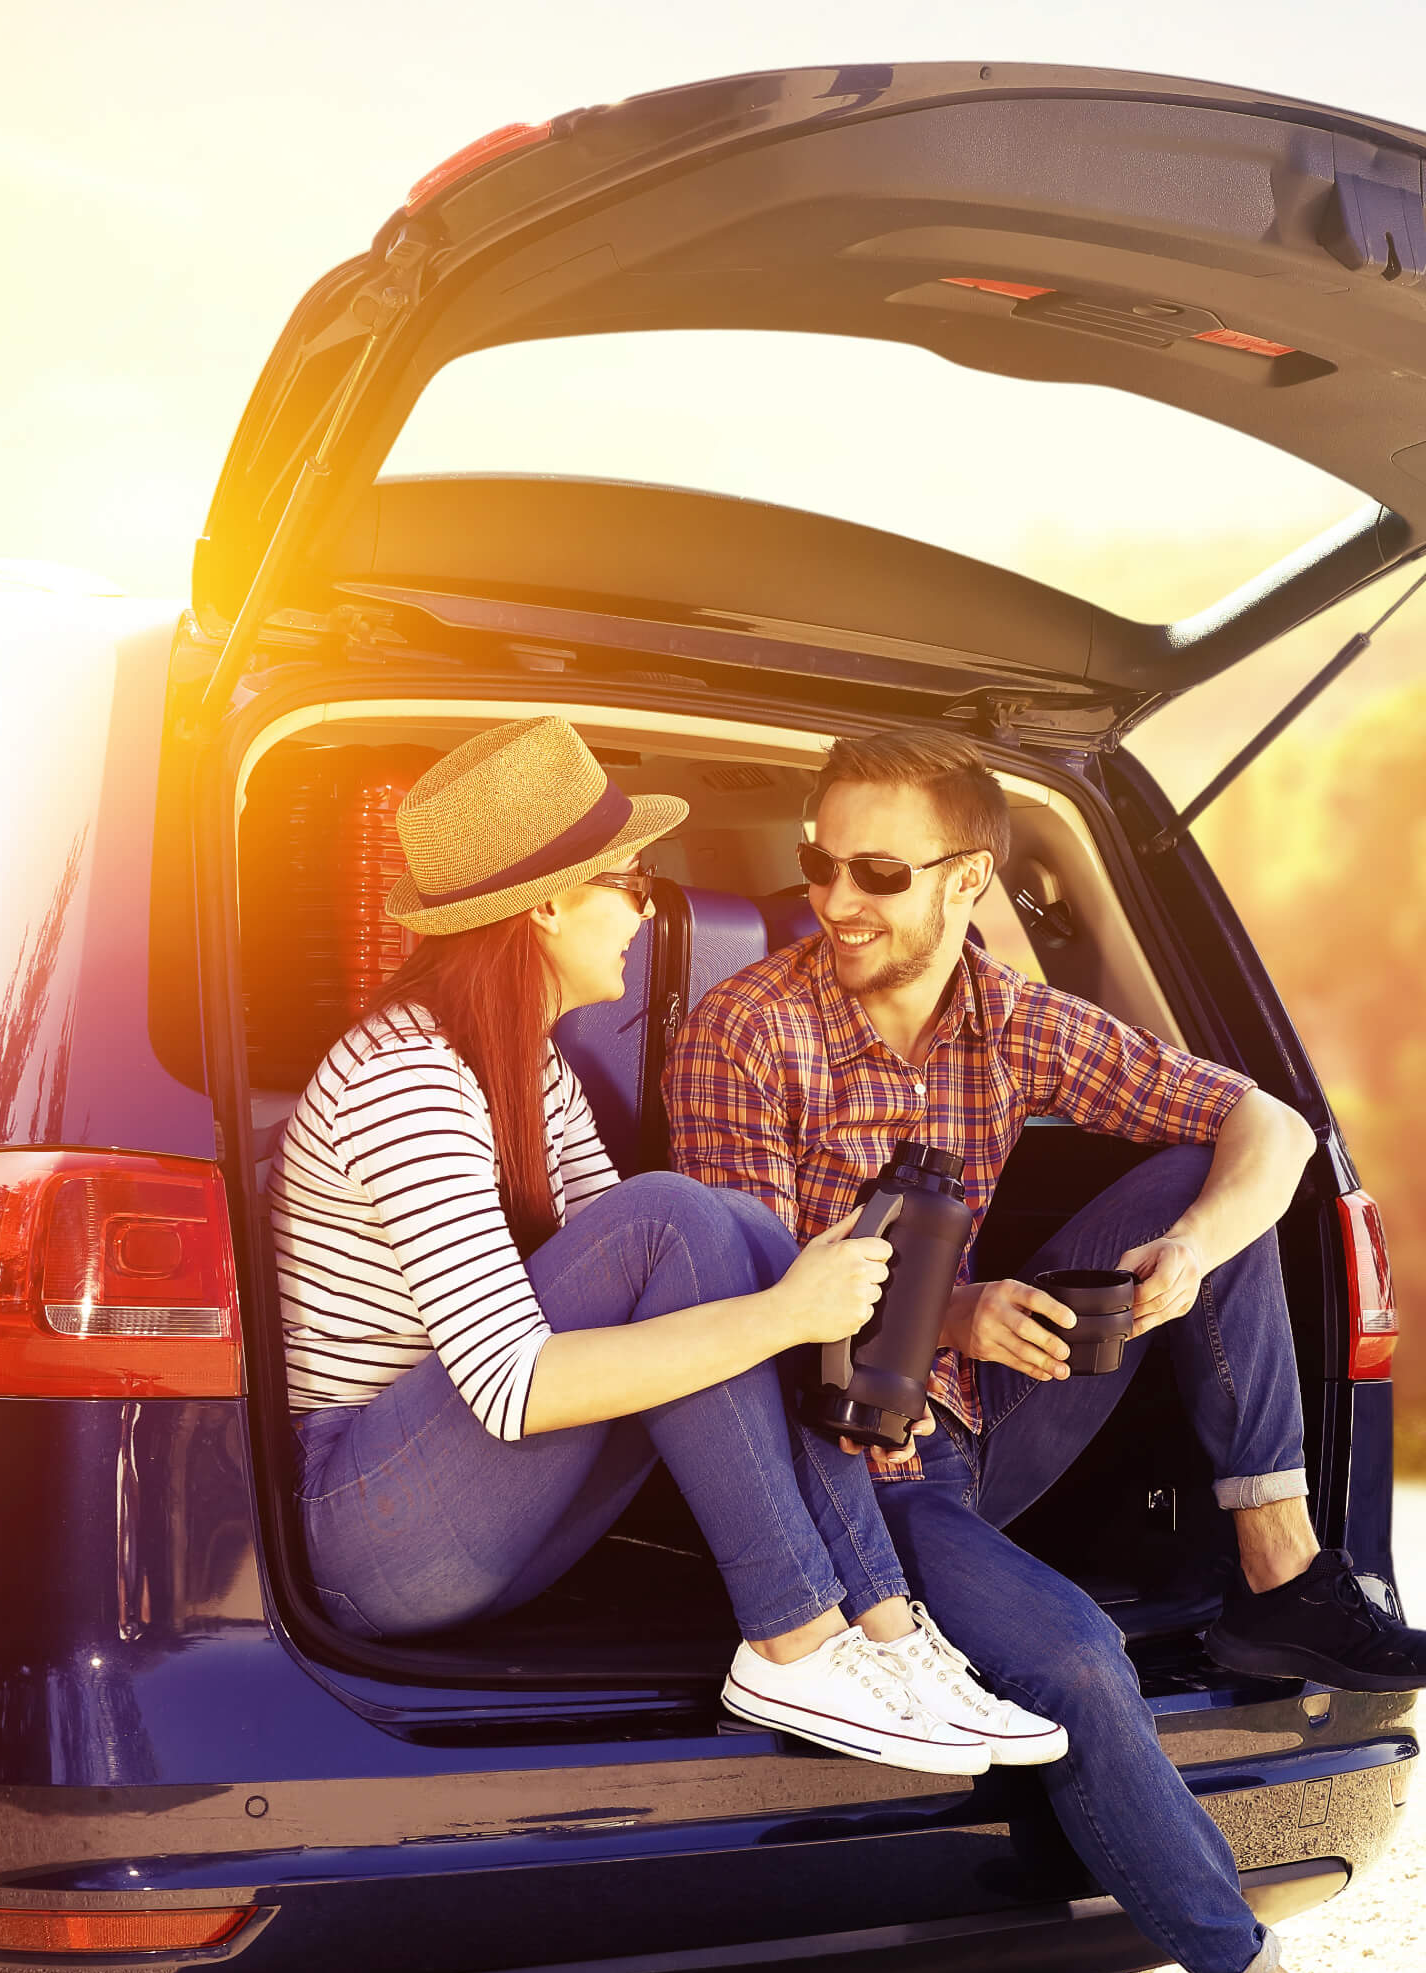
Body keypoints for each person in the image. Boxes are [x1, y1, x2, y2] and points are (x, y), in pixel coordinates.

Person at [664, 722, 1426, 1973]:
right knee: (1079, 1657)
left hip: (961, 1427)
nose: (835, 900)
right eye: (819, 864)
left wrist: (1193, 1251)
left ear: (967, 884)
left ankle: (1282, 1577)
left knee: (1201, 1185)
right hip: (837, 1478)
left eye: (878, 870)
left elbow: (1263, 1122)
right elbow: (749, 1328)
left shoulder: (1009, 1021)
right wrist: (957, 1312)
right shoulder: (745, 1034)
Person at [270, 715, 1065, 1779]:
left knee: (723, 1228)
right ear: (547, 903)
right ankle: (791, 1638)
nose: (645, 913)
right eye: (631, 884)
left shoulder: (527, 1071)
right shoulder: (404, 1076)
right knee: (688, 1220)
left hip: (478, 1519)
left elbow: (669, 1283)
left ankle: (881, 1629)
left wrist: (780, 1299)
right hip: (374, 1536)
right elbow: (513, 1386)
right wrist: (787, 1314)